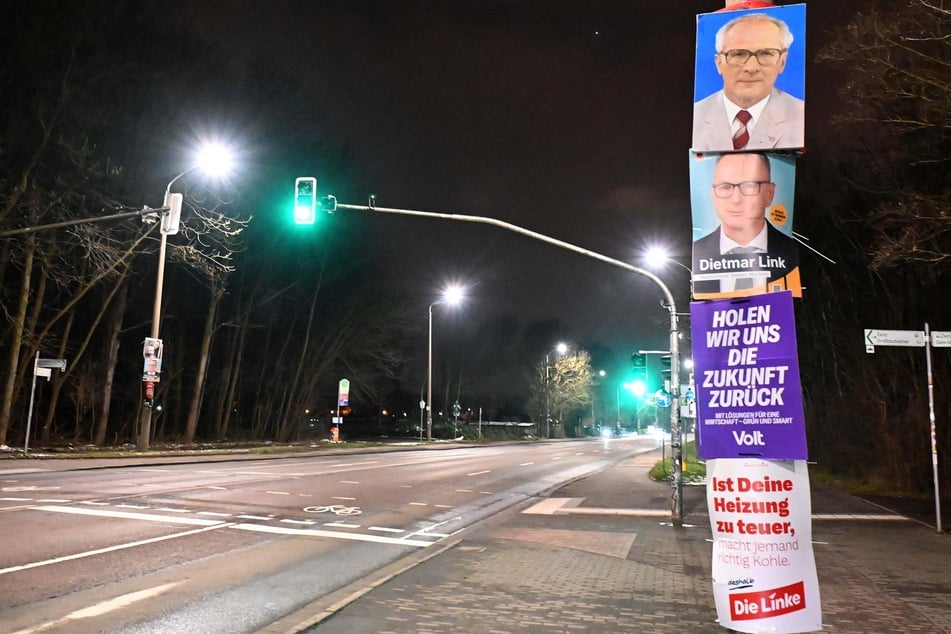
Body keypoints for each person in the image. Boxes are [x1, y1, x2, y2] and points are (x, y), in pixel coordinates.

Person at [692, 152, 800, 298]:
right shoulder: (697, 255)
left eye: (749, 186)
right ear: (713, 194)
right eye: (725, 187)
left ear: (769, 193)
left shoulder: (791, 252)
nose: (736, 199)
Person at [692, 12, 804, 152]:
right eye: (738, 54)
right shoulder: (694, 116)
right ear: (718, 63)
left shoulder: (803, 117)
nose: (751, 68)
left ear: (782, 62)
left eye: (766, 53)